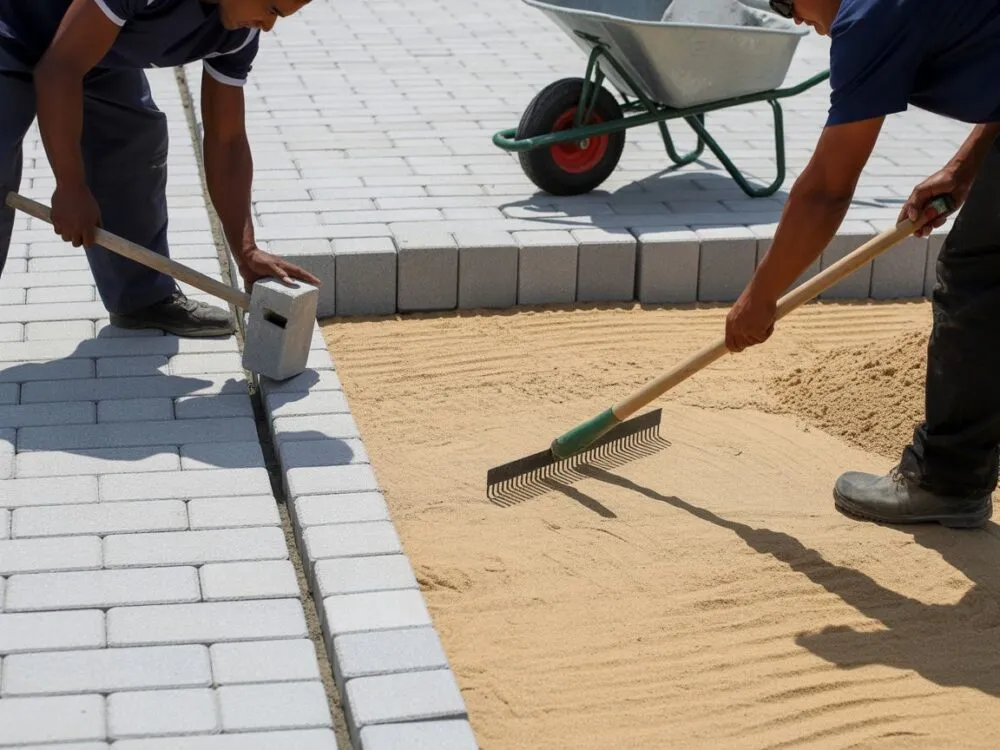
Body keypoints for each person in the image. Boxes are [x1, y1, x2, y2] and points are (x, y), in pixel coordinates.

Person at [725, 0, 1000, 528]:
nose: (796, 19)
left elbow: (826, 191)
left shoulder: (868, 18)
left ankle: (948, 480)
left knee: (978, 278)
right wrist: (965, 164)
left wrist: (759, 299)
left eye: (787, 4)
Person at [0, 0, 320, 338]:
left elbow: (226, 141)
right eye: (271, 8)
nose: (269, 26)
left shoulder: (239, 33)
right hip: (13, 31)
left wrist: (245, 250)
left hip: (90, 44)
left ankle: (142, 298)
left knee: (133, 140)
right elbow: (58, 70)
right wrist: (70, 185)